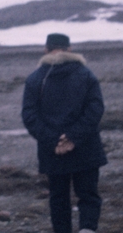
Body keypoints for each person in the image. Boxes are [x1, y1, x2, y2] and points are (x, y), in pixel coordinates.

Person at [21, 32, 107, 233]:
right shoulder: (86, 75)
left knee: (58, 197)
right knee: (88, 194)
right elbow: (95, 109)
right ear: (69, 49)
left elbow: (29, 116)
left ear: (46, 49)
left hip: (53, 151)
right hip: (86, 146)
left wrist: (54, 141)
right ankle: (87, 229)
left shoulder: (35, 78)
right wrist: (73, 137)